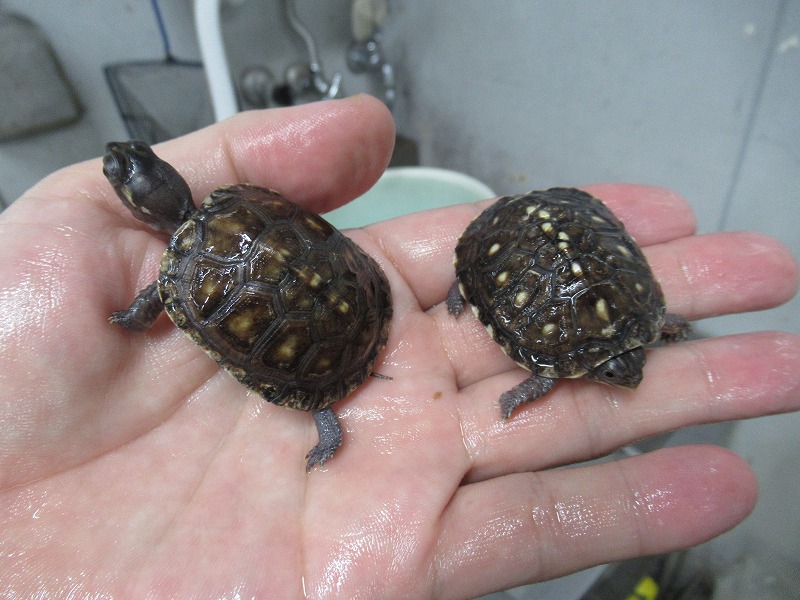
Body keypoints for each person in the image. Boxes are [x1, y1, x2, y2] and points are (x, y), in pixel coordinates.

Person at [0, 94, 797, 598]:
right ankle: (324, 415)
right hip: (352, 300)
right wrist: (127, 314)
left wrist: (129, 317)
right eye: (130, 174)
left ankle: (323, 413)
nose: (130, 173)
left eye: (132, 171)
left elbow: (155, 305)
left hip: (333, 316)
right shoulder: (232, 208)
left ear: (148, 202)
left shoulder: (182, 271)